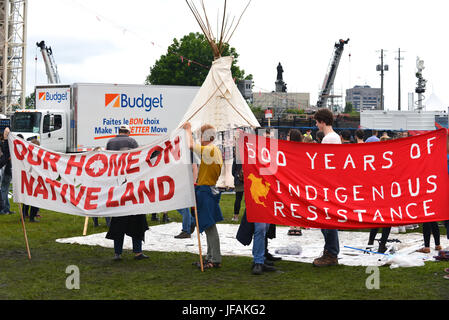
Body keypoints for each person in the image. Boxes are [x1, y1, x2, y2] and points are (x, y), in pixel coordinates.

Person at [183, 122, 224, 270]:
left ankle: (215, 258)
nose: (200, 138)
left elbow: (190, 145)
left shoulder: (210, 150)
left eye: (201, 135)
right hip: (208, 190)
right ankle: (209, 257)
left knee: (210, 227)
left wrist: (187, 129)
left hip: (206, 192)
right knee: (208, 226)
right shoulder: (215, 150)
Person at [105, 125, 149, 261]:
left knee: (118, 221)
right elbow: (138, 159)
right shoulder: (132, 142)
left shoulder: (110, 142)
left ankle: (118, 253)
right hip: (132, 186)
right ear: (128, 132)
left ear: (118, 132)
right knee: (137, 221)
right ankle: (137, 252)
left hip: (117, 186)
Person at [312, 108, 341, 267]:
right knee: (327, 220)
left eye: (317, 122)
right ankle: (330, 251)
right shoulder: (334, 137)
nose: (316, 125)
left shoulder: (329, 139)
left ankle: (331, 253)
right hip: (331, 184)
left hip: (328, 185)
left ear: (322, 122)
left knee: (327, 221)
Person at [236, 209, 277, 275]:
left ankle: (261, 258)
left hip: (267, 204)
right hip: (257, 205)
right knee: (260, 228)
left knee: (265, 228)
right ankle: (258, 261)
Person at [286, 129, 303, 236]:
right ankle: (298, 226)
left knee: (291, 203)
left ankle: (293, 226)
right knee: (298, 204)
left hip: (291, 179)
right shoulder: (302, 149)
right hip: (299, 180)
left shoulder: (287, 149)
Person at [0, 128, 14, 215]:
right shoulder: (6, 146)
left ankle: (6, 208)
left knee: (5, 189)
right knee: (4, 189)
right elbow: (4, 157)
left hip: (6, 169)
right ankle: (3, 208)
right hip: (6, 169)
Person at [231, 151, 244, 222]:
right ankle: (249, 216)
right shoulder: (250, 156)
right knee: (248, 200)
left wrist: (237, 176)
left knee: (238, 199)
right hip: (248, 181)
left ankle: (236, 216)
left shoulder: (237, 158)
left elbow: (233, 171)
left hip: (238, 181)